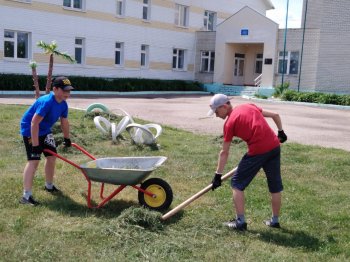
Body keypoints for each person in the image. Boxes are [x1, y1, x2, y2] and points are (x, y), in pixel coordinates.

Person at [208, 94, 287, 231]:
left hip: (258, 150)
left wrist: (217, 175)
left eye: (216, 111)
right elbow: (275, 115)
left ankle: (240, 222)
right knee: (275, 185)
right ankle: (275, 221)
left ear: (224, 106)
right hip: (274, 146)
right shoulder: (248, 106)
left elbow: (224, 152)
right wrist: (281, 132)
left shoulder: (229, 124)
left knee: (237, 183)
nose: (215, 115)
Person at [19, 76, 74, 206]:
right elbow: (33, 123)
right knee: (34, 161)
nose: (68, 93)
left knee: (51, 157)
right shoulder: (47, 102)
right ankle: (26, 197)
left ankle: (49, 186)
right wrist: (36, 145)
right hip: (30, 130)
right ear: (55, 89)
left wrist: (67, 137)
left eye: (69, 90)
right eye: (64, 90)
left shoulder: (63, 104)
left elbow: (64, 121)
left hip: (45, 130)